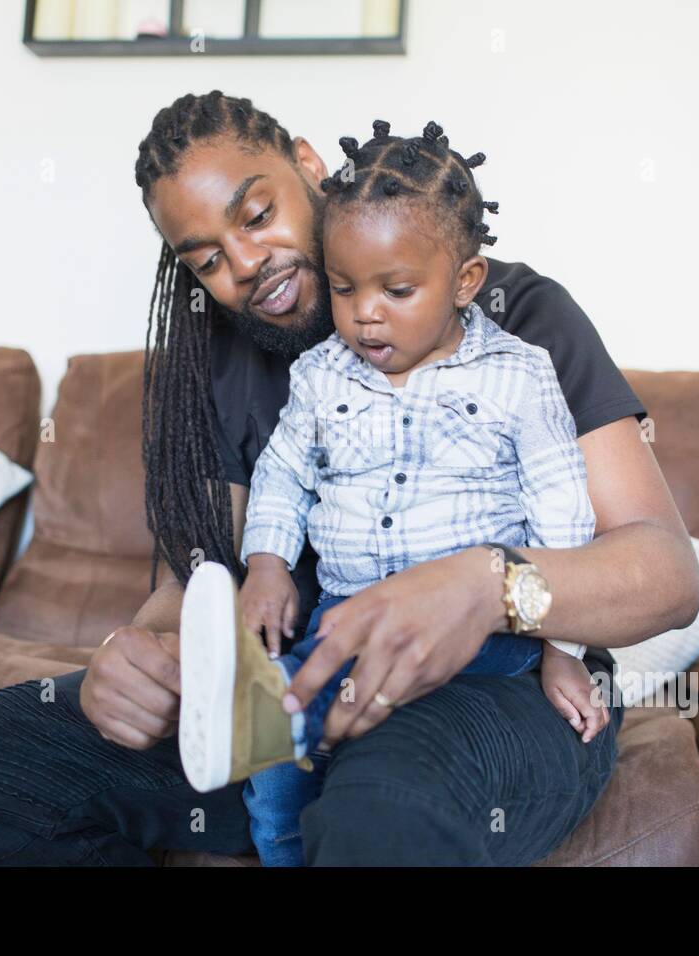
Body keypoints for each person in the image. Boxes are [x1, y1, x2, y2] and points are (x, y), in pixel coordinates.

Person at [0, 91, 699, 866]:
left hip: (497, 689)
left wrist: (486, 588)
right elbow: (201, 578)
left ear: (308, 166)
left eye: (256, 216)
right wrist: (138, 655)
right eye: (209, 260)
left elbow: (667, 575)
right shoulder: (223, 364)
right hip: (293, 696)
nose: (249, 264)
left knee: (377, 807)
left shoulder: (514, 320)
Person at [176, 120, 614, 867]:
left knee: (388, 760)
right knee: (286, 741)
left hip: (482, 645)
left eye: (397, 290)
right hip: (345, 629)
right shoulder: (321, 373)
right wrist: (269, 565)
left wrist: (561, 650)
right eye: (344, 288)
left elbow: (561, 513)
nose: (363, 313)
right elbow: (282, 473)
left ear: (466, 281)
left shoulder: (519, 374)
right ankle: (255, 740)